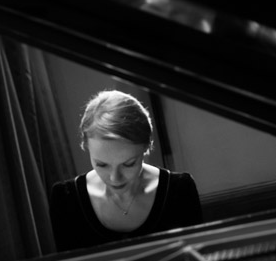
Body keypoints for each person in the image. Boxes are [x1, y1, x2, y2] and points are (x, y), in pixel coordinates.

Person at [50, 90, 202, 251]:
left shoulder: (179, 189)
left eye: (129, 164)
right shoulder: (65, 199)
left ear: (146, 147)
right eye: (101, 164)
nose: (115, 178)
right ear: (85, 146)